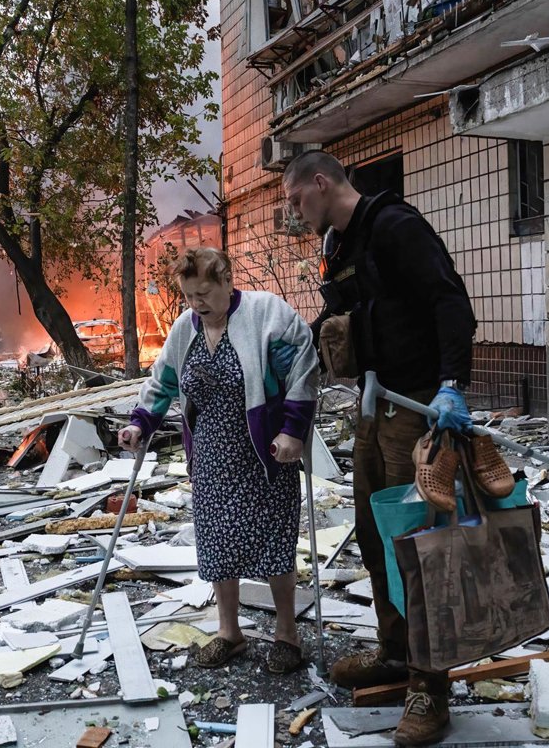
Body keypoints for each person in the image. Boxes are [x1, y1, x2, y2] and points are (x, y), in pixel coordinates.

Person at [283, 150, 476, 746]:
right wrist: (294, 354)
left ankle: (430, 686)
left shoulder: (396, 226)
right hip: (374, 405)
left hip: (417, 406)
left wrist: (452, 384)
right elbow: (342, 314)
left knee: (416, 545)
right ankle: (395, 651)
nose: (294, 212)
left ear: (321, 183)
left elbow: (450, 301)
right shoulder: (342, 245)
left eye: (296, 199)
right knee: (374, 535)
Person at [118, 247, 318, 675]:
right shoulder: (184, 329)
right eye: (189, 295)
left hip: (264, 454)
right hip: (210, 458)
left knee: (274, 543)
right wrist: (139, 423)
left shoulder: (266, 315)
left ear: (227, 281)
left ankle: (287, 635)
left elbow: (302, 369)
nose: (197, 303)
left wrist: (293, 430)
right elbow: (162, 381)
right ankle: (230, 632)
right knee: (217, 546)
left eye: (205, 293)